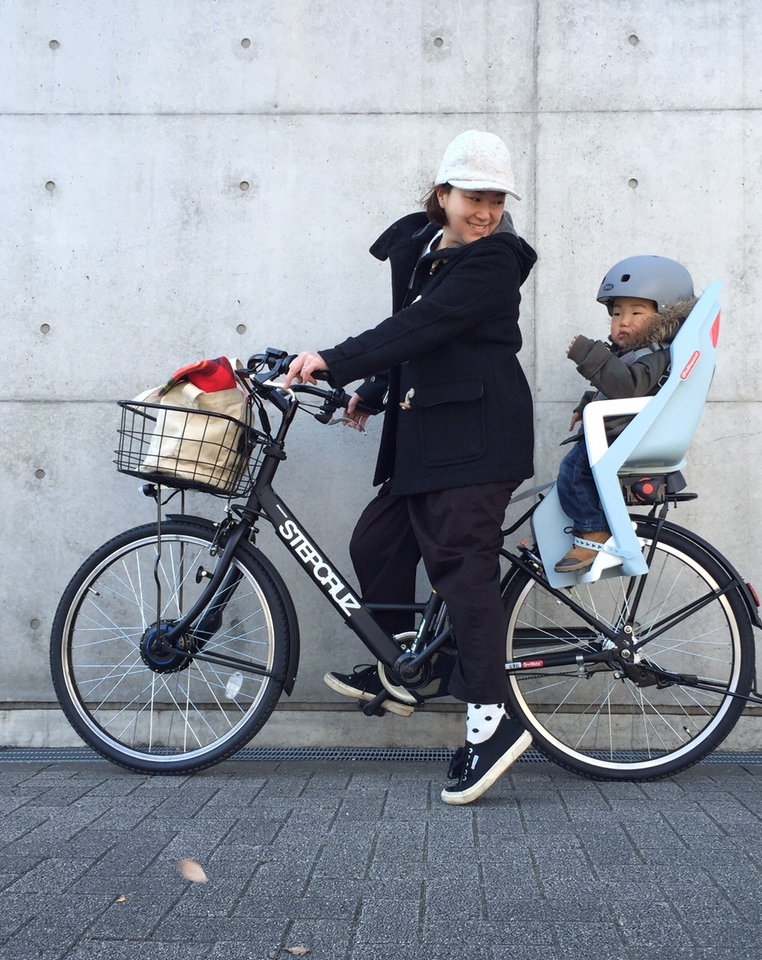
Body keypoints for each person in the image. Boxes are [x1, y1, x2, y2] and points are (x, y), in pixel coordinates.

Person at [283, 130, 536, 805]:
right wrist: (371, 391)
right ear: (444, 193)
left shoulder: (495, 264)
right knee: (378, 540)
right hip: (430, 435)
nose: (485, 211)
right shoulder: (421, 249)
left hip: (479, 436)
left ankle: (491, 723)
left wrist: (335, 360)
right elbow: (412, 328)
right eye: (473, 197)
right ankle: (407, 666)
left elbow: (421, 328)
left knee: (463, 571)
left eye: (495, 199)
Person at [552, 255, 697, 573]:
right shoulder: (637, 355)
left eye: (636, 312)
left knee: (574, 473)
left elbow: (629, 387)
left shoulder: (657, 356)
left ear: (664, 316)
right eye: (616, 313)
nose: (623, 321)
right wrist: (586, 403)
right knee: (573, 475)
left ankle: (592, 532)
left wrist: (588, 354)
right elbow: (617, 387)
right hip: (621, 432)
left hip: (625, 438)